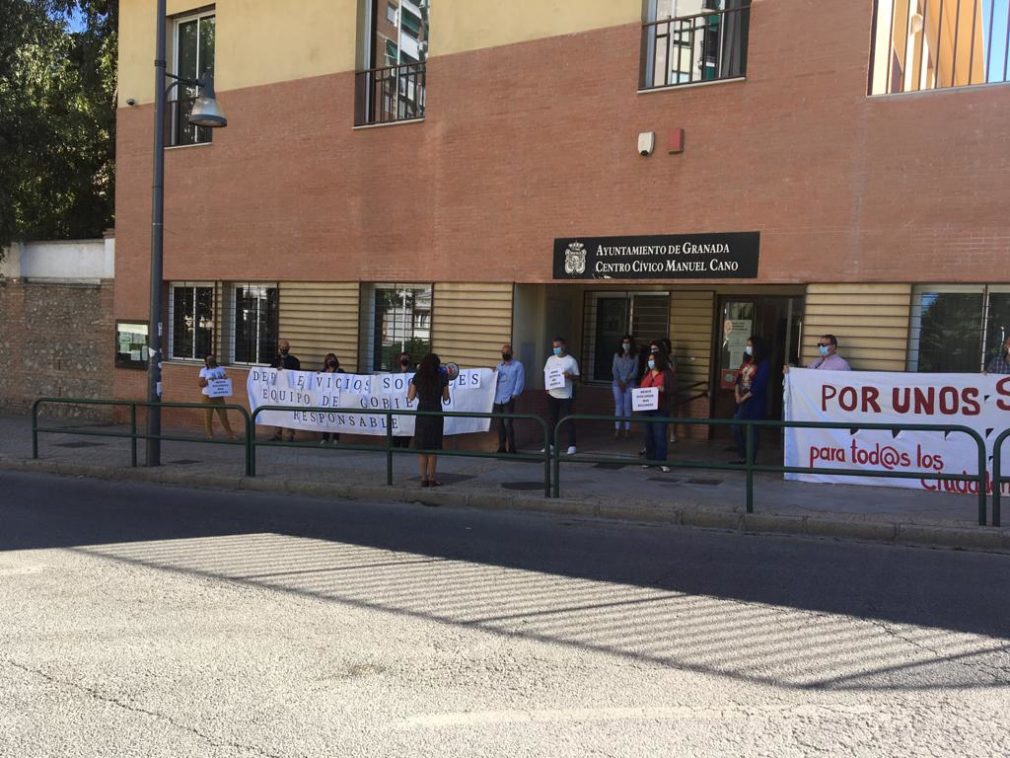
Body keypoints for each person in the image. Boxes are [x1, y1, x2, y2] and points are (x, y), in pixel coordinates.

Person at [407, 353, 451, 487]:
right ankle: (432, 479)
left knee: (422, 449)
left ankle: (423, 479)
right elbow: (446, 397)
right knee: (433, 448)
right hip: (436, 412)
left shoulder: (418, 376)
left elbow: (410, 397)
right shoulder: (442, 377)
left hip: (422, 412)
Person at [732, 335, 771, 464]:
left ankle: (750, 460)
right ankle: (743, 454)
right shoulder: (747, 362)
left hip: (754, 402)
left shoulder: (764, 364)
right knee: (735, 426)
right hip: (742, 400)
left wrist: (744, 398)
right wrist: (737, 394)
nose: (747, 348)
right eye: (747, 345)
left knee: (752, 430)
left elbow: (759, 385)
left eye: (750, 345)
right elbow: (738, 378)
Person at [638, 350, 674, 473]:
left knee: (660, 435)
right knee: (648, 435)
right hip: (646, 409)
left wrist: (664, 390)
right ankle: (649, 460)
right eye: (649, 360)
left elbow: (673, 390)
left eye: (652, 359)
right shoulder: (647, 373)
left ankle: (661, 461)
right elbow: (642, 387)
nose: (650, 362)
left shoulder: (666, 374)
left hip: (660, 409)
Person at [543, 337, 580, 455]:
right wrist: (547, 388)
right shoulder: (550, 359)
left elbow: (577, 377)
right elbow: (546, 374)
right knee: (551, 420)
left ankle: (572, 445)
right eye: (554, 347)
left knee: (568, 420)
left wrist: (569, 376)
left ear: (563, 346)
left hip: (566, 395)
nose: (555, 349)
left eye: (557, 346)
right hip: (553, 394)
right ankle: (550, 444)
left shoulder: (571, 361)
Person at [493, 343, 525, 453]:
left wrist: (515, 393)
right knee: (499, 424)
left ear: (512, 353)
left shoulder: (518, 365)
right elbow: (495, 380)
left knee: (508, 423)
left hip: (509, 398)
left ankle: (512, 447)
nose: (505, 354)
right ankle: (502, 446)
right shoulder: (499, 366)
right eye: (503, 352)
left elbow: (520, 380)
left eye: (507, 352)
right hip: (498, 398)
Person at [198, 354, 236, 441]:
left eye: (212, 359)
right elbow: (200, 383)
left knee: (224, 416)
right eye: (209, 360)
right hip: (207, 396)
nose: (211, 361)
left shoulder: (221, 369)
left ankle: (230, 434)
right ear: (206, 362)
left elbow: (225, 379)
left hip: (218, 395)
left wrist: (225, 379)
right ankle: (210, 435)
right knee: (208, 416)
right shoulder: (203, 371)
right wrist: (208, 381)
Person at [269, 339, 301, 441]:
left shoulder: (294, 361)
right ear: (279, 348)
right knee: (277, 412)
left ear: (289, 348)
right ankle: (277, 434)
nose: (283, 349)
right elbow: (269, 372)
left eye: (285, 347)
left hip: (289, 390)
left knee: (289, 412)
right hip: (278, 390)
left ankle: (289, 435)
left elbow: (297, 373)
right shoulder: (275, 360)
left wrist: (285, 371)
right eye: (282, 347)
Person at [611, 335, 638, 439]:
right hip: (617, 384)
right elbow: (614, 370)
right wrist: (619, 382)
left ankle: (627, 430)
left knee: (627, 406)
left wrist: (625, 381)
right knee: (618, 406)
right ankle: (617, 429)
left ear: (631, 344)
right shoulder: (616, 355)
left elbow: (635, 372)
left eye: (628, 342)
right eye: (624, 342)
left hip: (630, 384)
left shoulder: (635, 356)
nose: (626, 344)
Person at [319, 353, 344, 445]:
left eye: (333, 359)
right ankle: (325, 437)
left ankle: (336, 438)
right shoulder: (323, 371)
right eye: (329, 360)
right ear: (326, 362)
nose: (331, 361)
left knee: (336, 418)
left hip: (337, 398)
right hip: (326, 398)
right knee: (326, 418)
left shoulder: (340, 371)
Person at [392, 352, 414, 448]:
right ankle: (395, 445)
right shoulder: (394, 373)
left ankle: (405, 446)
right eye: (403, 358)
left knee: (407, 425)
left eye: (406, 358)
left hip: (408, 406)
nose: (404, 360)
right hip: (396, 405)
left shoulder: (413, 373)